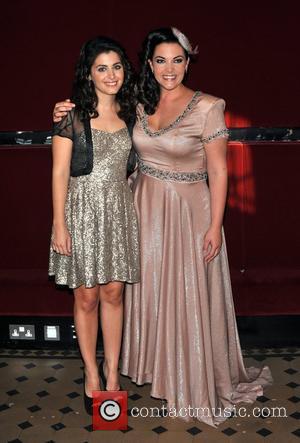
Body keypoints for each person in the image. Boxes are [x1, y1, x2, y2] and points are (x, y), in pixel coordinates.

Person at [52, 27, 272, 427]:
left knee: (170, 293)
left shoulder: (208, 106)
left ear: (189, 61)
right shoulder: (140, 101)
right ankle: (137, 371)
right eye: (160, 60)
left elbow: (220, 169)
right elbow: (78, 144)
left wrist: (215, 225)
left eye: (177, 60)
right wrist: (61, 111)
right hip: (141, 210)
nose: (169, 69)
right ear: (149, 64)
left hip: (188, 214)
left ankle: (183, 375)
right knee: (143, 293)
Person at [49, 36, 140, 415]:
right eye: (101, 68)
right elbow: (58, 174)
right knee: (86, 296)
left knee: (114, 294)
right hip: (80, 210)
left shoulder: (134, 113)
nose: (110, 75)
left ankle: (113, 373)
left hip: (119, 210)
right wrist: (59, 226)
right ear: (88, 74)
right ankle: (90, 373)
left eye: (116, 66)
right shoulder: (70, 115)